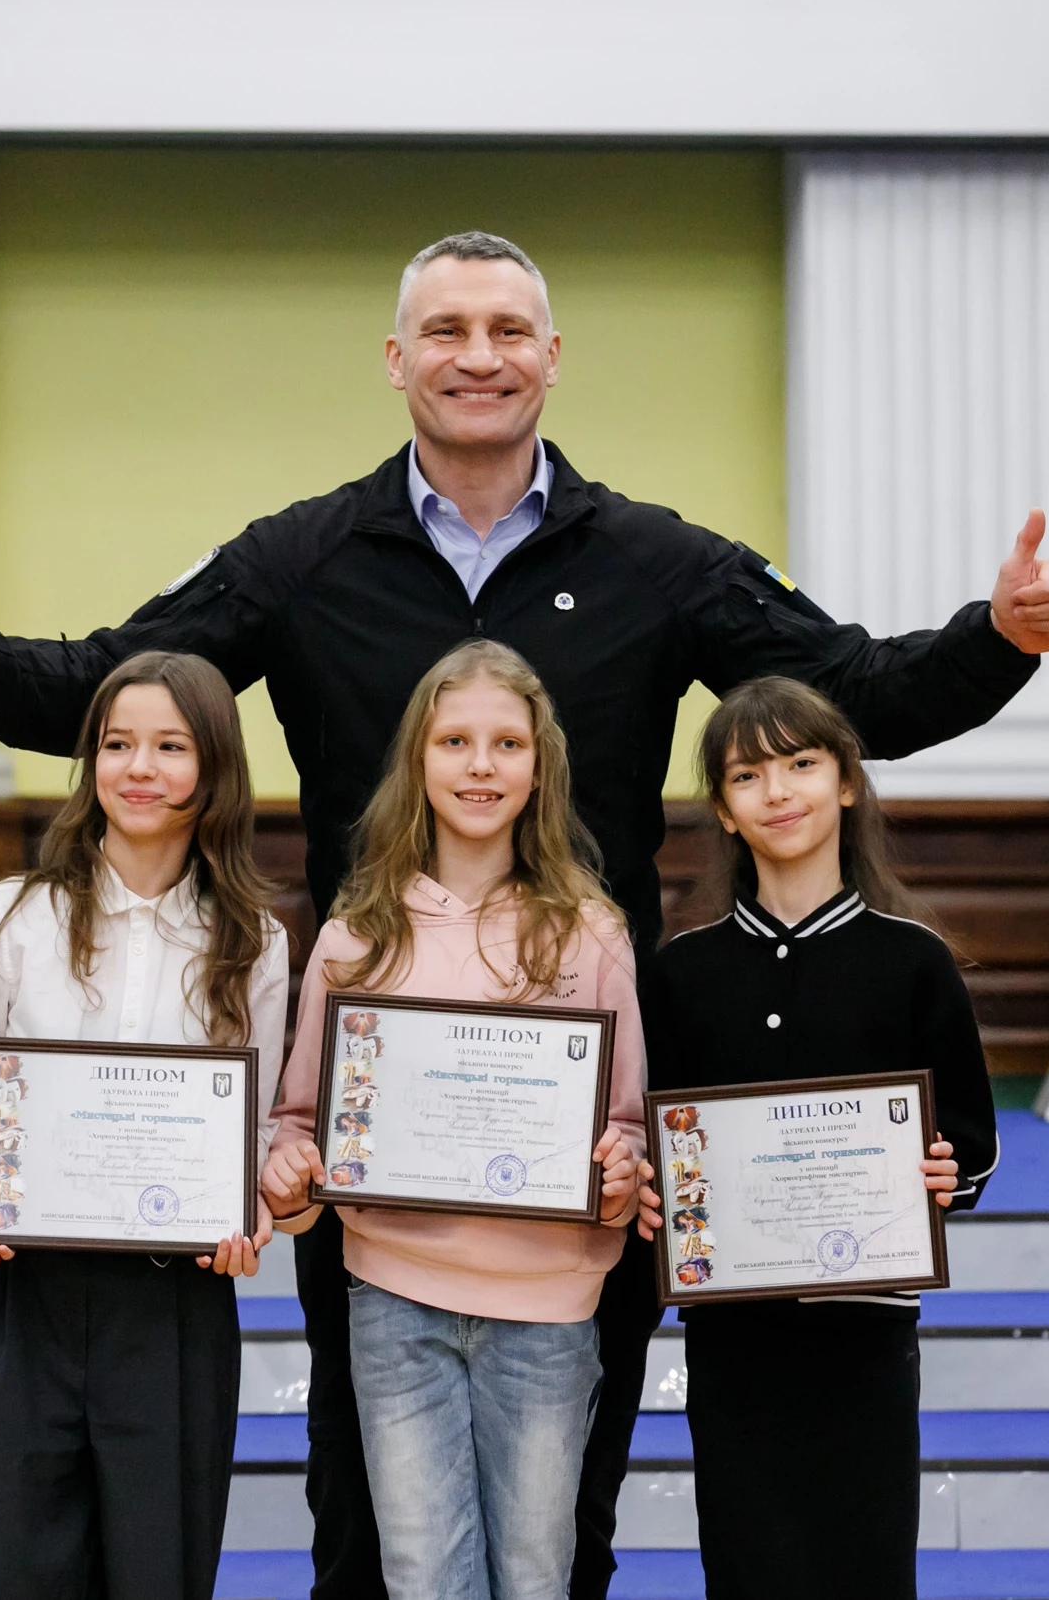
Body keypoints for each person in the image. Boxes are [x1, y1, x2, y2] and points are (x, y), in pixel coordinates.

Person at [0, 230, 1049, 1600]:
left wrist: (1004, 637)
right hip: (370, 1152)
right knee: (366, 1517)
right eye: (446, 329)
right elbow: (114, 682)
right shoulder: (303, 556)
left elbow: (852, 691)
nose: (479, 355)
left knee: (561, 1522)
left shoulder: (657, 559)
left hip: (576, 1153)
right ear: (397, 361)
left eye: (509, 329)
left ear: (552, 360)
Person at [260, 641, 646, 1600]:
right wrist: (294, 1182)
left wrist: (618, 1175)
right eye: (457, 741)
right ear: (418, 762)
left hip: (550, 1312)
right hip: (395, 1302)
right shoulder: (357, 937)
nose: (481, 764)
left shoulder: (591, 932)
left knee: (533, 1578)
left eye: (507, 742)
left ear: (539, 766)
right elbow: (298, 1124)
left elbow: (627, 1128)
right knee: (425, 1579)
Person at [0, 650, 293, 1600]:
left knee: (158, 1570)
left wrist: (248, 1207)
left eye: (169, 745)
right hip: (16, 1287)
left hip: (170, 1305)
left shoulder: (255, 941)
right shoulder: (11, 916)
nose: (139, 767)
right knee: (4, 1569)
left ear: (212, 768)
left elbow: (254, 1127)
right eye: (117, 744)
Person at [636, 676, 999, 1600]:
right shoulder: (684, 971)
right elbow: (664, 1139)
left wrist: (943, 1170)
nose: (779, 789)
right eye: (749, 773)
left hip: (865, 1334)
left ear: (846, 782)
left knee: (864, 1563)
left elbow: (971, 1145)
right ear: (722, 808)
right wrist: (654, 1194)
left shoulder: (912, 959)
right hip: (732, 1340)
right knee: (749, 1561)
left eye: (803, 762)